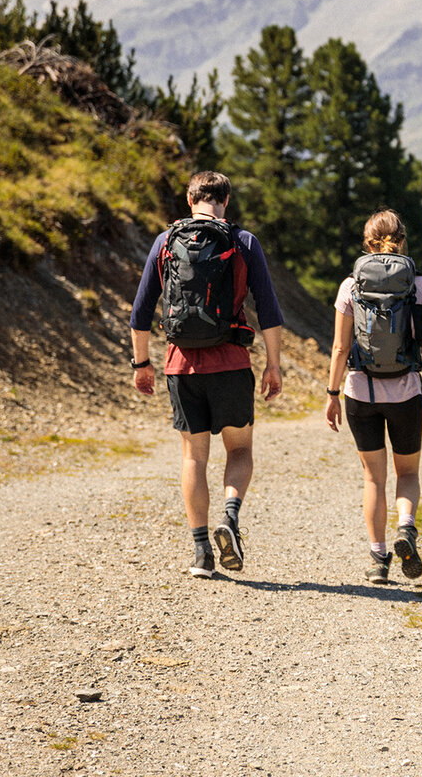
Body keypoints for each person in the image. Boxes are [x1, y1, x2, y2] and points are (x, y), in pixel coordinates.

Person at [130, 171, 284, 578]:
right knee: (240, 450)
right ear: (226, 201)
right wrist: (273, 365)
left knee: (193, 457)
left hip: (181, 366)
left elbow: (141, 313)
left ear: (189, 199)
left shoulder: (165, 242)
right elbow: (268, 310)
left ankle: (201, 552)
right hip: (232, 364)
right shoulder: (243, 241)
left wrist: (142, 364)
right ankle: (230, 518)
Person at [324, 209, 422, 582]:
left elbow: (340, 348)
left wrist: (332, 393)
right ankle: (406, 527)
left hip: (361, 393)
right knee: (407, 472)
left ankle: (379, 560)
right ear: (402, 241)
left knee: (374, 479)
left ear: (368, 243)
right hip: (406, 393)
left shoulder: (350, 286)